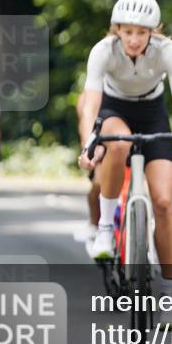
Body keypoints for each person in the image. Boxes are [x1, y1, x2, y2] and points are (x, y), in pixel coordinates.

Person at [77, 0, 172, 327]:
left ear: (153, 32)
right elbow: (90, 102)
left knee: (162, 202)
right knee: (117, 145)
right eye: (127, 31)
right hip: (114, 109)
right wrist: (89, 141)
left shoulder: (168, 52)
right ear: (117, 28)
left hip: (153, 113)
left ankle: (168, 296)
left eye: (141, 32)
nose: (133, 39)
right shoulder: (103, 51)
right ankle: (104, 229)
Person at [73, 90, 102, 252]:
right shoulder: (87, 97)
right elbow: (85, 123)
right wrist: (89, 149)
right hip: (99, 144)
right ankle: (94, 224)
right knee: (98, 185)